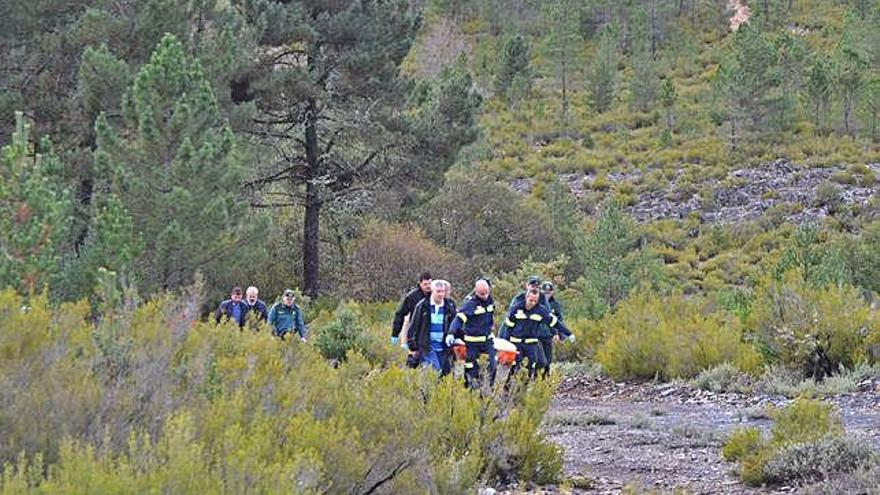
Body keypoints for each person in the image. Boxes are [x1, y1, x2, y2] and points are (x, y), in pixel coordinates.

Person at [500, 288, 574, 380]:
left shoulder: (540, 310)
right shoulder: (516, 308)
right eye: (531, 300)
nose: (533, 303)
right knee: (515, 368)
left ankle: (523, 390)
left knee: (531, 367)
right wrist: (505, 345)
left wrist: (568, 333)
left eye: (535, 301)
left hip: (531, 344)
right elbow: (507, 328)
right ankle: (507, 391)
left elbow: (555, 322)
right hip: (517, 343)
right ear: (526, 297)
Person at [449, 279, 497, 388]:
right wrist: (452, 332)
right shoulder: (471, 304)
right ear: (476, 291)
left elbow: (490, 318)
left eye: (486, 293)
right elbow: (458, 319)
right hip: (472, 342)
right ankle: (469, 389)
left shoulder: (490, 301)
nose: (484, 296)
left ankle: (488, 388)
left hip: (487, 340)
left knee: (492, 364)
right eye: (481, 294)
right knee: (471, 367)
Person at [407, 280, 456, 374]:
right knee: (434, 372)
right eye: (438, 291)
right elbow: (413, 327)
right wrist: (412, 347)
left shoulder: (449, 307)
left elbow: (456, 326)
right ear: (432, 291)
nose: (441, 294)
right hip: (427, 347)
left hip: (444, 347)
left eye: (442, 291)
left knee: (445, 375)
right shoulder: (422, 306)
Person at [391, 272, 432, 348]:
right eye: (425, 284)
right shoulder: (412, 296)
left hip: (431, 330)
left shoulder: (435, 295)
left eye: (430, 284)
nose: (428, 286)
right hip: (416, 330)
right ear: (420, 283)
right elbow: (400, 314)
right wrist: (395, 333)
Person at [538, 281, 565, 378]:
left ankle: (546, 378)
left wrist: (560, 335)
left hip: (549, 335)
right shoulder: (536, 302)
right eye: (544, 292)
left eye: (548, 293)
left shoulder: (555, 305)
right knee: (540, 359)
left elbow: (559, 320)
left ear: (552, 293)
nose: (546, 295)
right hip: (536, 335)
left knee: (548, 358)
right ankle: (536, 378)